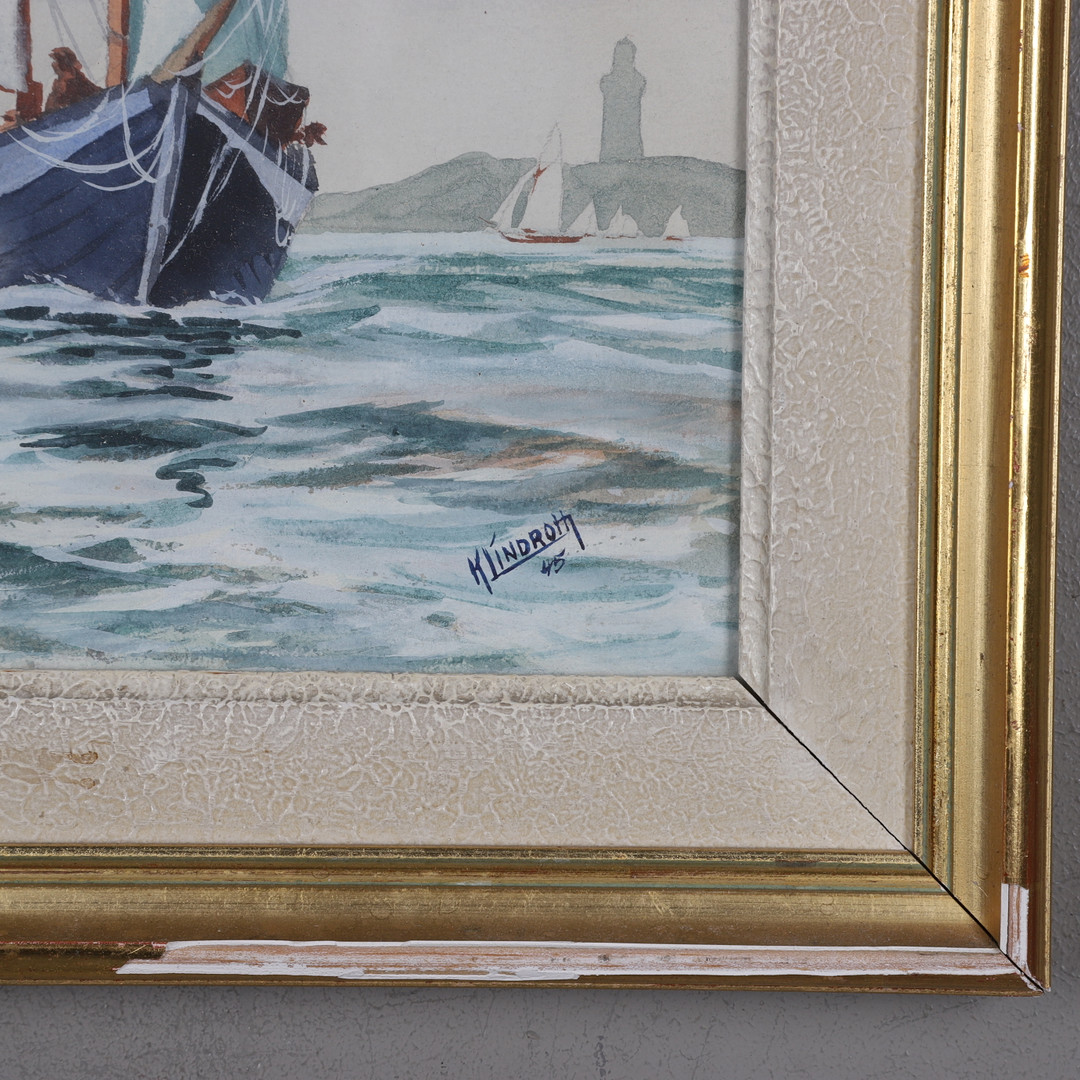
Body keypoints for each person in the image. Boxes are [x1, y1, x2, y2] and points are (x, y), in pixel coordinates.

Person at [43, 48, 101, 113]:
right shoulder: (68, 80)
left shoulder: (71, 83)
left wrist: (54, 94)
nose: (53, 64)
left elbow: (50, 112)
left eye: (55, 61)